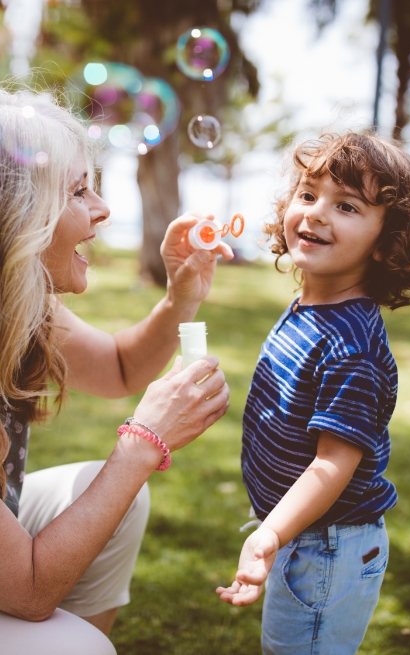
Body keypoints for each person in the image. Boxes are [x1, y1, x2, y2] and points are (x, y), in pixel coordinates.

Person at [0, 87, 232, 655]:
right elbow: (28, 591)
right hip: (20, 581)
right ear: (16, 216)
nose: (103, 209)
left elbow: (121, 368)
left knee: (102, 495)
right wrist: (142, 444)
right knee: (79, 646)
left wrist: (179, 299)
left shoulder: (21, 307)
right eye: (78, 191)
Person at [216, 132, 410, 654]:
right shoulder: (310, 307)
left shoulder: (352, 348)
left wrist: (270, 535)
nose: (317, 213)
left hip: (328, 547)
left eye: (346, 205)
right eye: (307, 194)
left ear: (386, 240)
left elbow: (333, 464)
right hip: (302, 532)